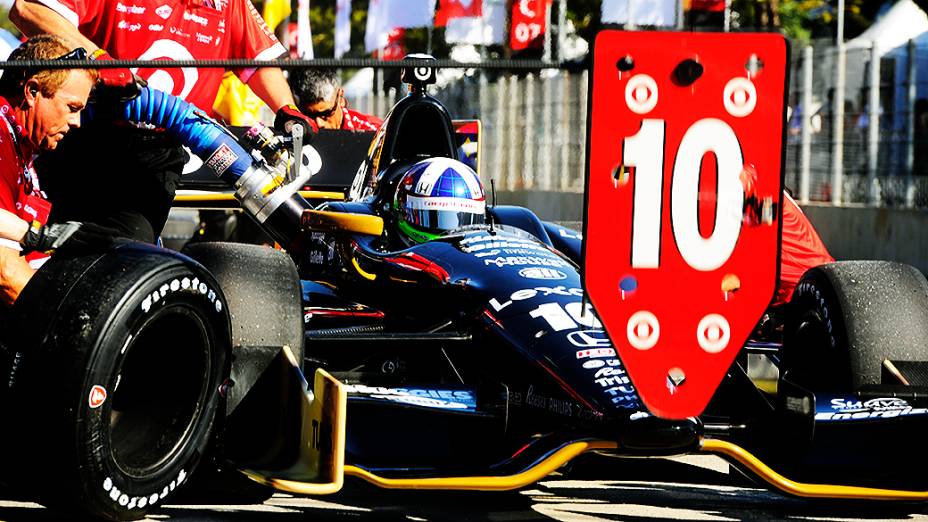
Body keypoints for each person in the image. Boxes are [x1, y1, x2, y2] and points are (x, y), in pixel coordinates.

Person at [10, 0, 317, 243]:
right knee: (43, 243)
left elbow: (258, 59)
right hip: (83, 136)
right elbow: (28, 9)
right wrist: (96, 57)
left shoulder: (228, 3)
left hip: (157, 158)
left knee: (129, 253)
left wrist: (286, 108)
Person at [0, 35, 98, 305]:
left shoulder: (21, 141)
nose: (77, 122)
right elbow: (6, 275)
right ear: (32, 92)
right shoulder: (0, 137)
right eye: (72, 108)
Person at [289, 68, 383, 131]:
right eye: (309, 115)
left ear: (340, 98)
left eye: (325, 114)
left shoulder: (374, 131)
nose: (319, 123)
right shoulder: (294, 132)